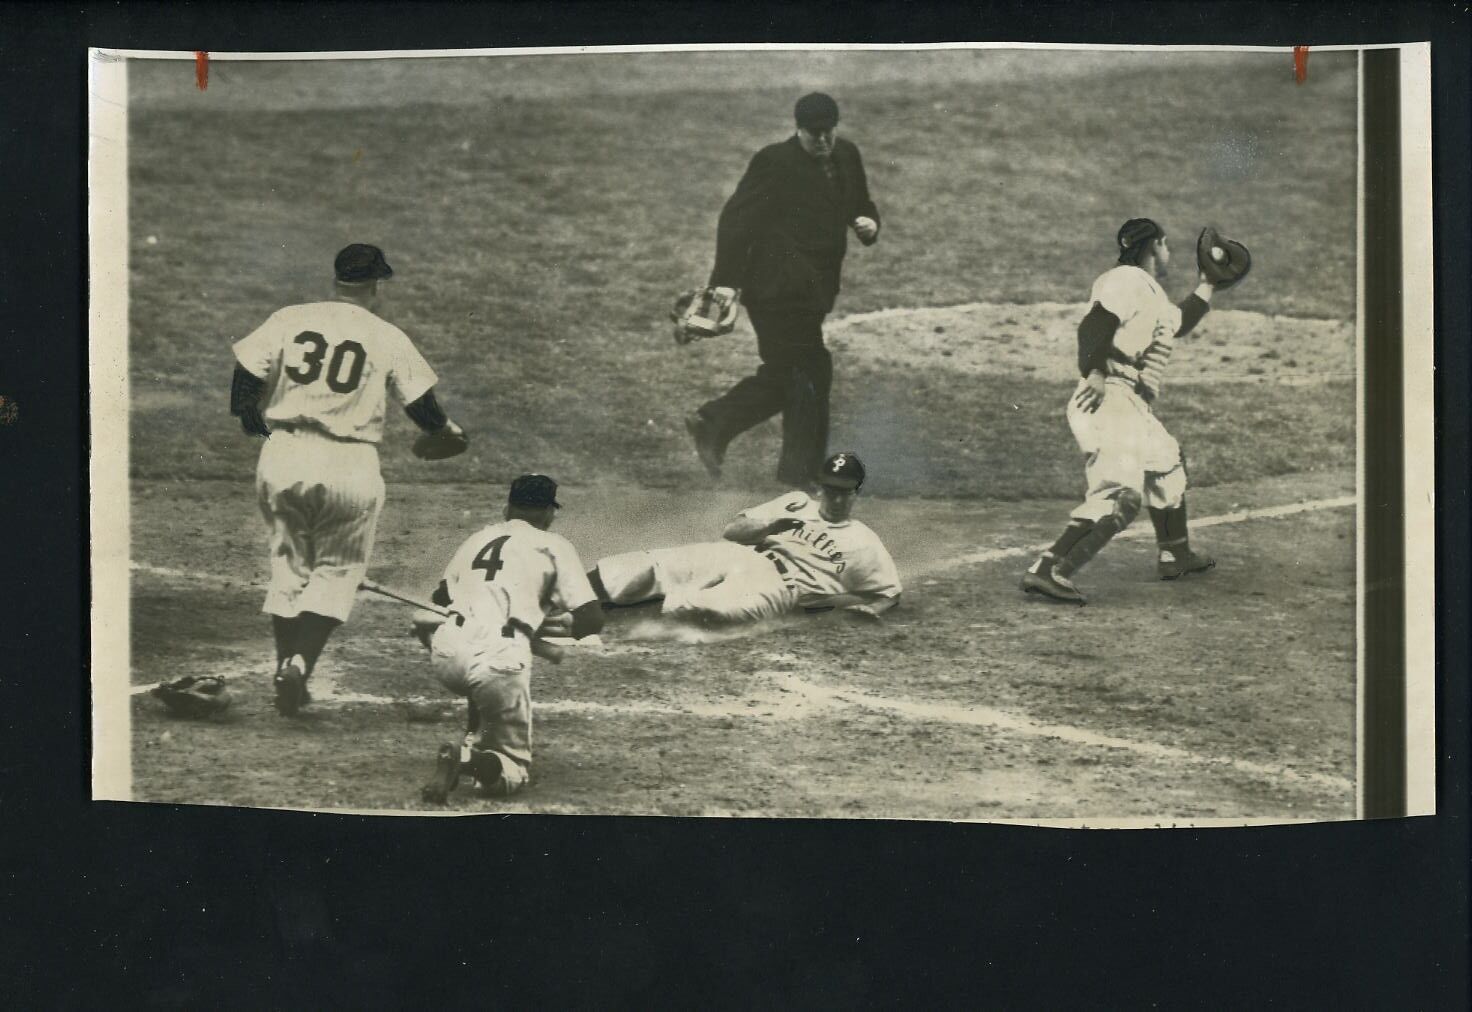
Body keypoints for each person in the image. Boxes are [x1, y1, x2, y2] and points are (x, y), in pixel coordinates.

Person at [230, 243, 467, 715]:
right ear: (377, 285)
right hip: (349, 463)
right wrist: (445, 432)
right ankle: (300, 664)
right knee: (338, 570)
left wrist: (252, 420)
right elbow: (422, 408)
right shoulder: (385, 335)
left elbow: (245, 378)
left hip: (284, 455)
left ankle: (285, 666)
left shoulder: (288, 318)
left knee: (289, 564)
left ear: (337, 279)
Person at [1021, 218, 1223, 606]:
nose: (1168, 254)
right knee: (1120, 496)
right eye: (1166, 246)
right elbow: (1094, 324)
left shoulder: (1148, 293)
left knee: (1167, 463)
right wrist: (1094, 370)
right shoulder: (1125, 280)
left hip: (1129, 402)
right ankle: (1047, 570)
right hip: (1108, 395)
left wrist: (1208, 285)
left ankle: (1175, 553)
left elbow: (1177, 323)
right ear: (1157, 245)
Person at [685, 92, 881, 488]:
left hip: (814, 291)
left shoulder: (846, 155)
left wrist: (868, 223)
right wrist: (724, 285)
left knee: (796, 373)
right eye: (814, 134)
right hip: (775, 289)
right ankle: (798, 472)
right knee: (810, 370)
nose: (823, 141)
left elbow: (860, 202)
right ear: (799, 129)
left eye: (828, 132)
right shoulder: (775, 162)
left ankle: (716, 423)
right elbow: (736, 221)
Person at [415, 474, 604, 803]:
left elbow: (441, 599)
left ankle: (476, 733)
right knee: (512, 770)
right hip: (499, 660)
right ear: (548, 513)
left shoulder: (476, 539)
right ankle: (467, 761)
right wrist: (543, 627)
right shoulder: (554, 545)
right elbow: (592, 619)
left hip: (446, 654)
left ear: (507, 509)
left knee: (473, 645)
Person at [590, 452, 901, 624]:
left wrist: (870, 611)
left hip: (780, 588)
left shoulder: (864, 542)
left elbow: (889, 592)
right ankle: (567, 594)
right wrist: (770, 526)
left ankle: (608, 617)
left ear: (856, 492)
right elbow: (732, 532)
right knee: (653, 565)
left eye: (843, 491)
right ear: (820, 486)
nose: (835, 498)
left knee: (705, 609)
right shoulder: (796, 502)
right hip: (740, 555)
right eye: (830, 488)